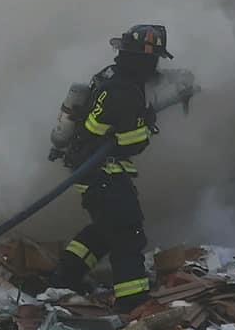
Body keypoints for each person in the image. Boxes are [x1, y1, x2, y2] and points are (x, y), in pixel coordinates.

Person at [52, 25, 171, 312]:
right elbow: (131, 142)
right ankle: (133, 301)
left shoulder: (110, 76)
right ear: (143, 60)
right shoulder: (125, 91)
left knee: (104, 231)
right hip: (103, 171)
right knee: (128, 234)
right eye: (153, 58)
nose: (155, 65)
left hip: (91, 170)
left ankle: (62, 281)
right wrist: (148, 124)